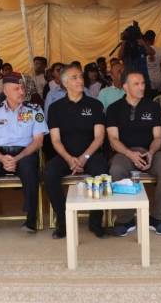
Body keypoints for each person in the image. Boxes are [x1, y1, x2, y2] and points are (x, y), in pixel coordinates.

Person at [0, 72, 48, 234]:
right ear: (5, 91)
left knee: (29, 170)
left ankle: (31, 218)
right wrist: (1, 158)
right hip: (0, 155)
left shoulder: (35, 110)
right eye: (16, 89)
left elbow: (38, 141)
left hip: (25, 153)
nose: (21, 92)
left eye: (22, 88)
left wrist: (18, 158)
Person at [108, 71, 161, 237]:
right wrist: (130, 154)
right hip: (124, 153)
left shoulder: (153, 106)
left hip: (150, 151)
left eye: (143, 83)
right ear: (125, 87)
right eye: (136, 84)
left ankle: (157, 218)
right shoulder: (114, 108)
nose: (141, 87)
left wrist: (151, 152)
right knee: (116, 169)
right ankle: (125, 219)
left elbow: (158, 137)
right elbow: (113, 139)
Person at [44, 65, 108, 239]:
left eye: (80, 76)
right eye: (74, 77)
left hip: (91, 154)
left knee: (102, 172)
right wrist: (69, 158)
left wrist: (84, 157)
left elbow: (99, 137)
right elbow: (55, 140)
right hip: (66, 156)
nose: (80, 80)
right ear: (65, 83)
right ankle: (63, 220)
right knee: (49, 173)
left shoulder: (95, 104)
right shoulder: (56, 108)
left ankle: (95, 221)